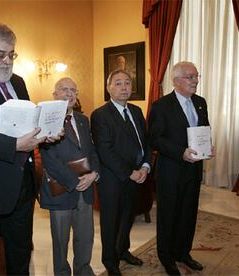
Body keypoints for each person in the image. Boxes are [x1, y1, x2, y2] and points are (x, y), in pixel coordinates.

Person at [0, 22, 61, 275]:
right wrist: (14, 145)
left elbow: (27, 121)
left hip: (24, 184)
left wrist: (43, 135)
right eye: (0, 54)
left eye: (12, 54)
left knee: (21, 252)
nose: (7, 61)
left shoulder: (18, 81)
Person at [148, 61, 214, 275]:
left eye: (196, 76)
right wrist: (180, 152)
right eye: (190, 77)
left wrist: (208, 145)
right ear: (176, 81)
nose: (195, 81)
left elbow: (204, 129)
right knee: (168, 216)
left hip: (193, 170)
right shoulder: (161, 106)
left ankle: (183, 253)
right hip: (171, 170)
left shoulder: (201, 102)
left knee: (188, 213)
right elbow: (155, 138)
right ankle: (166, 257)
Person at [91, 69, 151, 276]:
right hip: (113, 179)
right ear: (108, 88)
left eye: (127, 83)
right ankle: (110, 260)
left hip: (136, 175)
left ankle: (123, 250)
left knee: (128, 217)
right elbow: (105, 151)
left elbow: (145, 142)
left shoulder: (136, 110)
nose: (124, 87)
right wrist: (130, 173)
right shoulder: (100, 115)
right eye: (118, 83)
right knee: (111, 221)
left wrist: (145, 166)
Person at [39, 77, 99, 276]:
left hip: (86, 188)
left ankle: (83, 271)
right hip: (62, 190)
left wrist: (94, 174)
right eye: (64, 89)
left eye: (73, 90)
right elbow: (49, 159)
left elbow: (92, 151)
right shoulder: (46, 119)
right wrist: (75, 181)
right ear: (54, 94)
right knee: (60, 242)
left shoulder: (83, 119)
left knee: (85, 238)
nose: (69, 93)